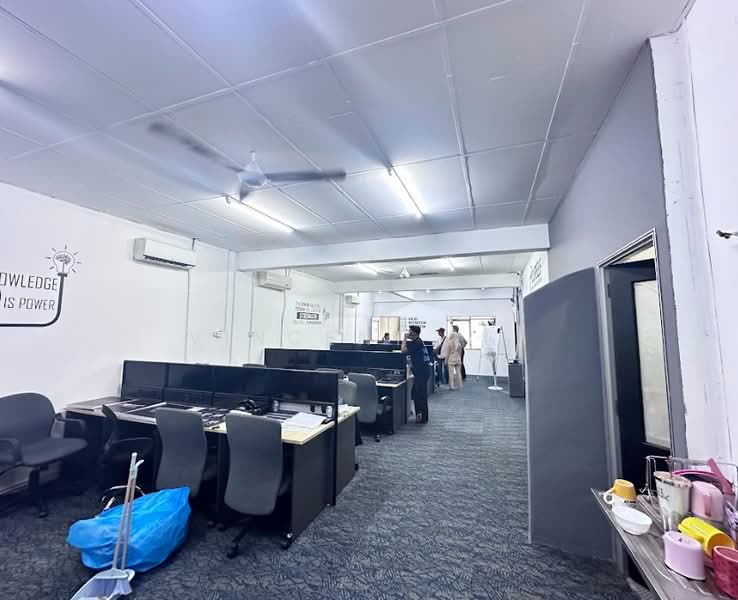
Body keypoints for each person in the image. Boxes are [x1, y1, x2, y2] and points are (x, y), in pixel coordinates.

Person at [401, 325, 431, 423]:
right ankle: (419, 414)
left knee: (421, 395)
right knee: (416, 393)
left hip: (422, 372)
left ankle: (424, 418)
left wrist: (404, 338)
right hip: (421, 371)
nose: (408, 333)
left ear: (414, 333)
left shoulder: (416, 343)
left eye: (410, 331)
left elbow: (403, 350)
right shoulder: (417, 341)